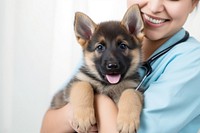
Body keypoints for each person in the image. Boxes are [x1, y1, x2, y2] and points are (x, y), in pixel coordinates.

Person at [40, 0, 200, 132]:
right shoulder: (94, 55)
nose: (154, 7)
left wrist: (99, 101)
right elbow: (48, 126)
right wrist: (75, 110)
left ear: (194, 2)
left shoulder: (193, 61)